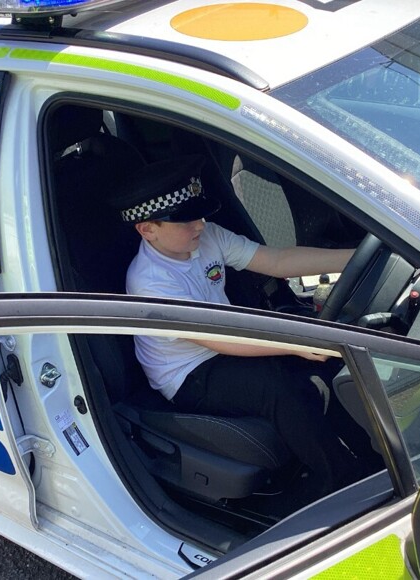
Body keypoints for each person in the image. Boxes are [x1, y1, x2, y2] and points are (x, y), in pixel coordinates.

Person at [111, 154, 378, 494]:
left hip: (227, 339)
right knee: (279, 389)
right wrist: (295, 343)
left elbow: (277, 260)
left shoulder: (206, 237)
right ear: (148, 230)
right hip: (188, 372)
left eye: (200, 215)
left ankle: (375, 457)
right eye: (185, 220)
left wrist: (358, 257)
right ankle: (343, 480)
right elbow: (219, 339)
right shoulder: (150, 282)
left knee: (330, 366)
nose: (200, 225)